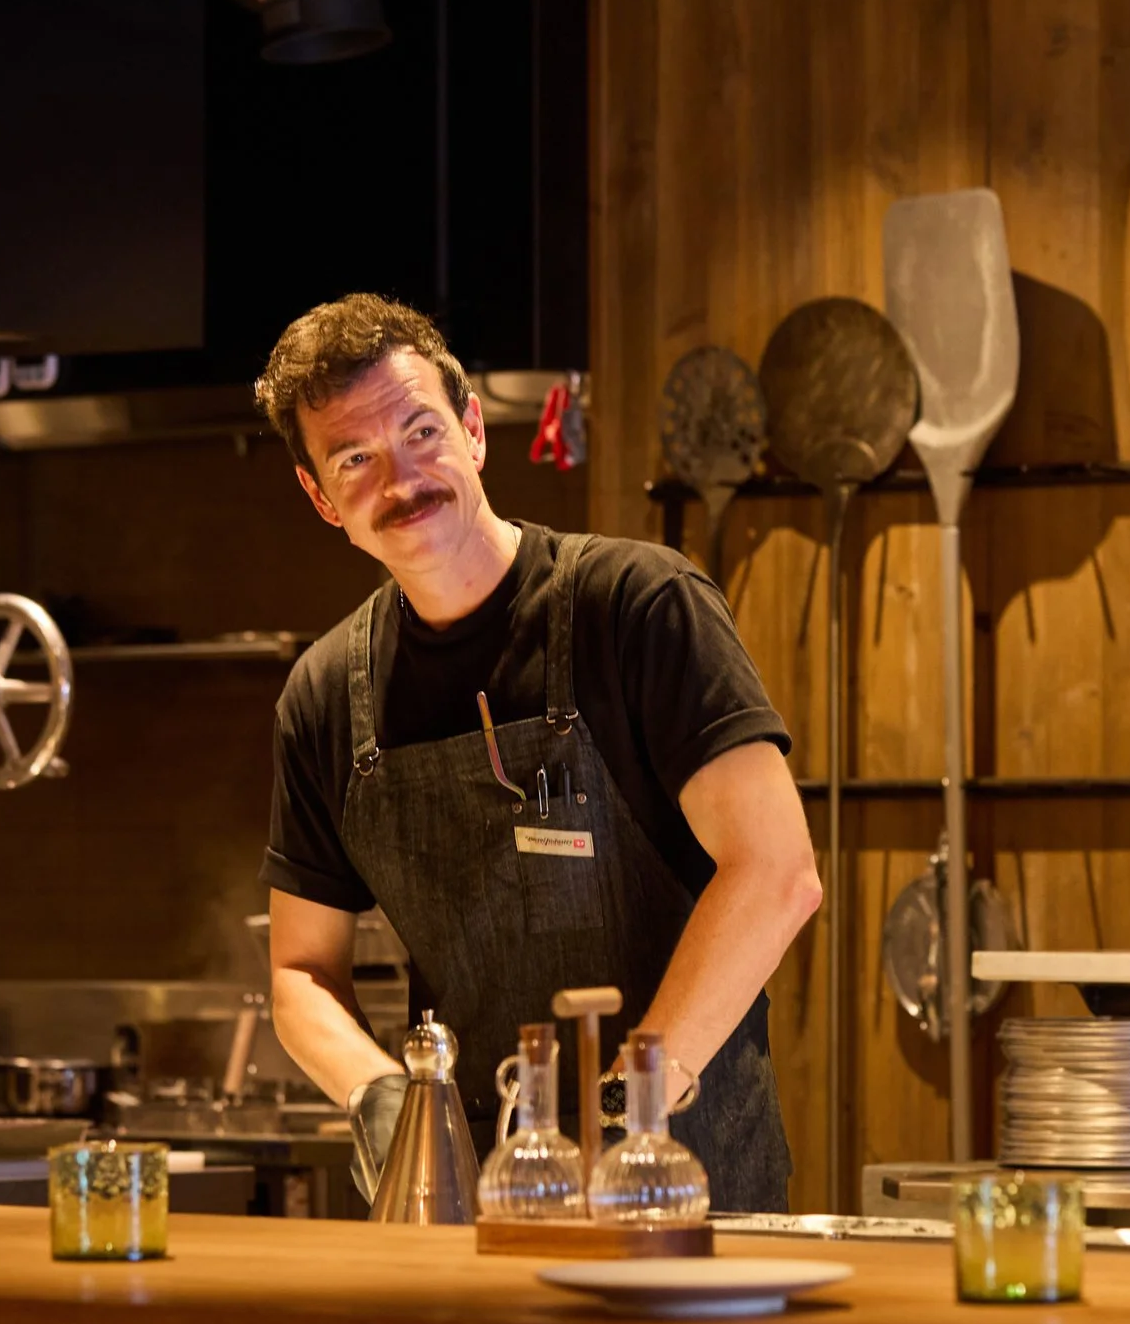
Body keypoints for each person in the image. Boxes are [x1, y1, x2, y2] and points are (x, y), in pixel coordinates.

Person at [255, 294, 820, 1211]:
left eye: (421, 431)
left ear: (474, 430)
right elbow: (300, 973)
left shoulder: (638, 606)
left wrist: (629, 1105)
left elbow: (777, 870)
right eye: (356, 459)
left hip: (679, 1182)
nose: (402, 479)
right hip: (463, 1207)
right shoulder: (324, 697)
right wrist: (389, 1104)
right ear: (322, 498)